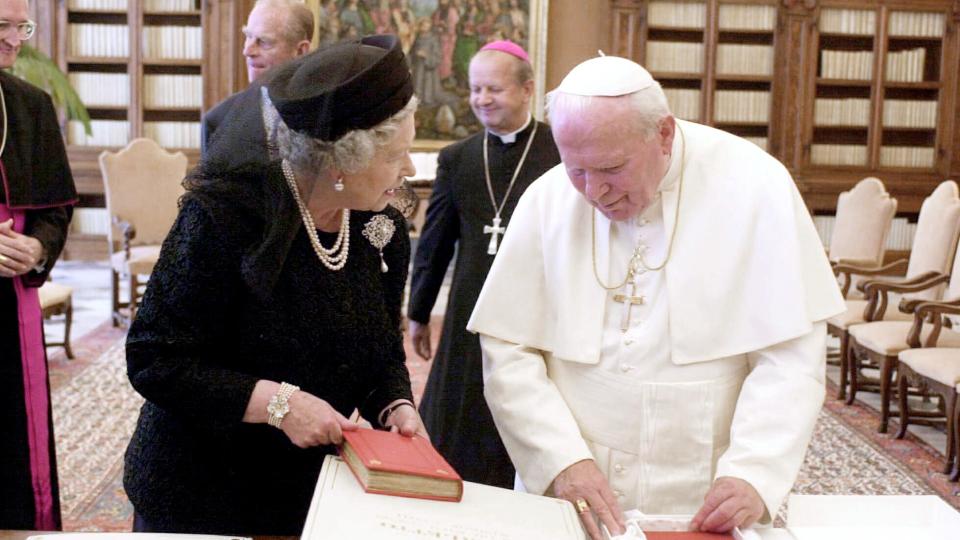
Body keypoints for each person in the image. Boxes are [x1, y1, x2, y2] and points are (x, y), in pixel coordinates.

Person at [467, 55, 845, 539]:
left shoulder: (756, 185)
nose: (594, 192)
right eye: (575, 170)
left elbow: (791, 354)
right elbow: (508, 349)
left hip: (707, 486)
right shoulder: (547, 198)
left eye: (611, 168)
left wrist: (754, 471)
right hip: (576, 481)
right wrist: (559, 461)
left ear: (663, 134)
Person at [123, 35, 427, 535]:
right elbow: (155, 360)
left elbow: (380, 350)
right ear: (341, 162)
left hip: (306, 494)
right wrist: (280, 405)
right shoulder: (224, 216)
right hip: (198, 492)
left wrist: (394, 403)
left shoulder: (382, 228)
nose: (410, 168)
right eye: (398, 154)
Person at [408, 40, 560, 489]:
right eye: (475, 90)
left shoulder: (557, 150)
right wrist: (418, 312)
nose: (482, 100)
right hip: (469, 306)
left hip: (537, 301)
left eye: (494, 88)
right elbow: (434, 243)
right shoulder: (458, 158)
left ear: (527, 89)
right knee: (460, 409)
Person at [0, 0, 77, 531]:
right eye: (1, 26)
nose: (15, 40)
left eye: (21, 26)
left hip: (10, 304)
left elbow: (56, 207)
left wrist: (38, 249)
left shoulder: (30, 105)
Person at [199, 0, 313, 155]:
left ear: (300, 51)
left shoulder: (332, 113)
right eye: (248, 36)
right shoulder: (218, 122)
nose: (247, 51)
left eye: (264, 41)